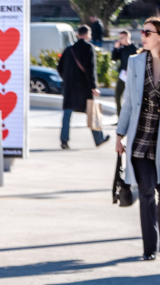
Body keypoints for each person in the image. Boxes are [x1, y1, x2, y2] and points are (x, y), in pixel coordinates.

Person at [116, 16, 160, 260]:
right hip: (141, 138)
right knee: (146, 192)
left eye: (148, 32)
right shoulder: (135, 62)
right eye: (143, 31)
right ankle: (149, 248)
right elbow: (128, 103)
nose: (143, 36)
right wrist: (120, 134)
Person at [59, 25, 109, 149]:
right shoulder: (88, 48)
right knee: (92, 112)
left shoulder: (69, 49)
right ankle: (98, 138)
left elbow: (59, 67)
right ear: (87, 34)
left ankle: (64, 140)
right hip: (84, 87)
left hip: (69, 87)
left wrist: (67, 79)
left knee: (67, 114)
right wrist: (93, 86)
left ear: (78, 34)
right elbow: (90, 69)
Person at [113, 30, 137, 117]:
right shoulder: (121, 49)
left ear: (127, 37)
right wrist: (116, 48)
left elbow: (137, 63)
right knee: (117, 96)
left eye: (121, 38)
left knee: (130, 98)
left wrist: (130, 70)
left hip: (131, 76)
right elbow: (114, 58)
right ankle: (120, 118)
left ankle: (130, 117)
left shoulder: (134, 48)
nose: (120, 40)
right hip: (122, 76)